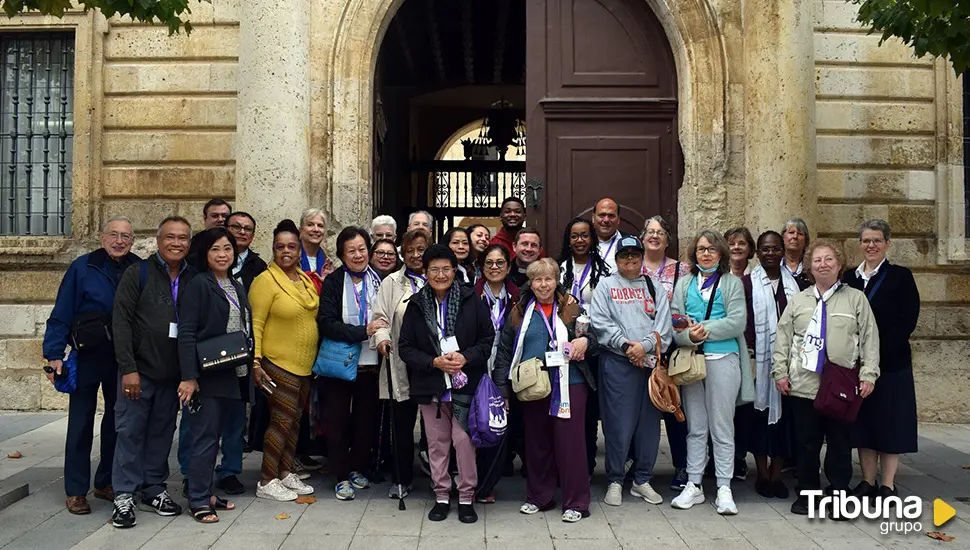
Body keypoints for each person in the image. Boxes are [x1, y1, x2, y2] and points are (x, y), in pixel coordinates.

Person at [773, 239, 880, 516]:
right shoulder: (799, 301)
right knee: (806, 444)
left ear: (839, 264)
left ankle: (839, 494)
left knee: (839, 442)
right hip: (804, 385)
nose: (823, 264)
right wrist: (780, 373)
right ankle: (808, 494)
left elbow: (870, 339)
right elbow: (783, 339)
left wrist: (868, 375)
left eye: (828, 259)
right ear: (810, 266)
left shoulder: (855, 299)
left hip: (840, 385)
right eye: (817, 260)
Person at [43, 216, 140, 515]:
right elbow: (61, 312)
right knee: (81, 422)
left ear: (132, 241)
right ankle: (75, 490)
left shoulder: (138, 268)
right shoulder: (82, 267)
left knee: (117, 421)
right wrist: (54, 353)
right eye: (113, 234)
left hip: (122, 357)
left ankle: (106, 481)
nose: (119, 241)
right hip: (87, 355)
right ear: (102, 237)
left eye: (125, 236)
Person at [493, 258, 596, 523]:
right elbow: (505, 350)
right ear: (531, 282)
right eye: (537, 279)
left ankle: (576, 502)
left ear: (556, 280)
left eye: (548, 278)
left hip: (570, 383)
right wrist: (502, 388)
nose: (543, 284)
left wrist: (584, 340)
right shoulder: (520, 310)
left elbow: (592, 337)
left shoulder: (571, 306)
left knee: (570, 443)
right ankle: (540, 496)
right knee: (537, 443)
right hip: (533, 385)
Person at [398, 244, 495, 524]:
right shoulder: (415, 305)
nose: (440, 274)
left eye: (446, 269)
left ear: (455, 271)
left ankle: (466, 496)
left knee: (464, 441)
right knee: (437, 443)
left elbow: (486, 340)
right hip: (431, 385)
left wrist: (465, 357)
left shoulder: (470, 300)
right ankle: (441, 494)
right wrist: (433, 362)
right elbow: (405, 347)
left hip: (466, 385)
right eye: (434, 270)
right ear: (425, 273)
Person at [110, 216, 196, 529]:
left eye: (183, 238)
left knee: (161, 434)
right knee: (130, 432)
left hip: (172, 375)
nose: (177, 243)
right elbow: (120, 322)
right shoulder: (139, 273)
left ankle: (153, 488)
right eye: (170, 237)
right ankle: (123, 494)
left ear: (189, 243)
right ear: (158, 240)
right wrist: (128, 369)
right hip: (140, 373)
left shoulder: (193, 278)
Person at [670, 230, 753, 516]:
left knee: (722, 426)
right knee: (696, 426)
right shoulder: (683, 284)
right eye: (701, 249)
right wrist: (689, 336)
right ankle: (693, 484)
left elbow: (737, 322)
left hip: (723, 358)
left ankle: (724, 487)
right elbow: (676, 323)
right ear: (694, 253)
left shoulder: (732, 283)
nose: (705, 254)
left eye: (711, 249)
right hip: (692, 361)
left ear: (721, 254)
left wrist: (705, 329)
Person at [177, 227, 255, 523]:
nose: (223, 255)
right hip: (209, 375)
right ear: (205, 254)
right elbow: (186, 332)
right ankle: (197, 498)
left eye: (227, 249)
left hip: (234, 372)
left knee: (220, 435)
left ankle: (206, 491)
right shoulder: (199, 284)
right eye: (215, 250)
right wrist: (189, 376)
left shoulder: (235, 284)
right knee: (205, 438)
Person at [588, 236, 673, 507]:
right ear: (617, 259)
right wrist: (627, 346)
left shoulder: (653, 286)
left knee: (649, 425)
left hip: (649, 364)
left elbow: (664, 325)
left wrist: (645, 346)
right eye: (624, 256)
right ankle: (615, 479)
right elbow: (600, 323)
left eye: (635, 255)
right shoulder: (606, 285)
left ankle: (642, 480)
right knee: (618, 424)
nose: (630, 260)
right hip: (617, 363)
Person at [844, 220, 919, 501]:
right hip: (857, 366)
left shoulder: (901, 276)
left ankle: (887, 484)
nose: (871, 245)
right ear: (860, 244)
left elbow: (907, 320)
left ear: (887, 243)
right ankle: (867, 480)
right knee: (864, 422)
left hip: (891, 363)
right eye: (866, 240)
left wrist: (876, 354)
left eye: (876, 240)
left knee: (890, 423)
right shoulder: (850, 278)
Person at [250, 220, 321, 502]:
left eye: (292, 246)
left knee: (294, 422)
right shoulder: (265, 282)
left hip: (304, 366)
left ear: (299, 249)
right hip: (276, 364)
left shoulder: (304, 280)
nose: (286, 251)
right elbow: (255, 324)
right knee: (280, 422)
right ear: (273, 250)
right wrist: (255, 363)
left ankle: (284, 471)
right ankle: (267, 479)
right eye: (280, 247)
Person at [318, 227, 388, 500]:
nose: (358, 255)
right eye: (351, 251)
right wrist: (364, 331)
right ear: (341, 255)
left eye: (362, 249)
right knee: (337, 422)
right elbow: (327, 322)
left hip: (370, 363)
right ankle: (339, 474)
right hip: (339, 364)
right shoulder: (334, 282)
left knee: (365, 422)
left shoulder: (380, 281)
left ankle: (358, 467)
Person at [372, 229, 431, 499]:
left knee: (435, 425)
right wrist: (383, 339)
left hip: (432, 363)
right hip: (400, 361)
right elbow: (380, 318)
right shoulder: (391, 283)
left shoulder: (439, 278)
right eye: (410, 251)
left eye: (421, 249)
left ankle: (436, 475)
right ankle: (401, 478)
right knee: (403, 424)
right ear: (402, 254)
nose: (416, 255)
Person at [742, 231, 798, 499]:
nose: (771, 253)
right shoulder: (746, 284)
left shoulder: (796, 284)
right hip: (758, 364)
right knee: (760, 420)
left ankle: (778, 475)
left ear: (783, 251)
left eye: (776, 249)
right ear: (758, 253)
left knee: (784, 421)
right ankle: (762, 474)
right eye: (765, 249)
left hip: (789, 363)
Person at [638, 215, 691, 490]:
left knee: (674, 407)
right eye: (650, 232)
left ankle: (682, 466)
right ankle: (637, 463)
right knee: (642, 408)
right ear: (642, 237)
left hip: (671, 348)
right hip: (639, 348)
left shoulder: (682, 270)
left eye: (660, 232)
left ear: (668, 240)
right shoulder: (632, 268)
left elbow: (687, 307)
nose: (654, 236)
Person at [558, 217, 610, 476]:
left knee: (590, 410)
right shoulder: (558, 269)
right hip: (564, 346)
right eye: (574, 236)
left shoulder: (604, 270)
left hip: (593, 346)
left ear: (592, 239)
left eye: (585, 235)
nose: (580, 241)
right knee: (565, 406)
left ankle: (587, 463)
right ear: (568, 240)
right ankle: (563, 462)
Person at [473, 243, 520, 503]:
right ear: (482, 267)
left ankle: (492, 479)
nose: (494, 267)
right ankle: (478, 482)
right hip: (478, 364)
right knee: (479, 422)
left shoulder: (518, 296)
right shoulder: (471, 294)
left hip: (507, 364)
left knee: (502, 423)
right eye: (489, 263)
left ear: (509, 267)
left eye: (500, 263)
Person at [721, 226, 757, 481]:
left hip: (749, 349)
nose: (736, 247)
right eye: (731, 243)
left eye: (741, 243)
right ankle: (717, 457)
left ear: (749, 248)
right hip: (722, 347)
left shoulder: (757, 279)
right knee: (720, 406)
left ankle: (739, 457)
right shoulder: (718, 277)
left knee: (743, 406)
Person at [226, 212, 268, 290]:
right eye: (236, 227)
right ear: (225, 230)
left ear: (252, 236)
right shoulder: (211, 259)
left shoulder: (259, 266)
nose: (242, 232)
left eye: (248, 229)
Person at [299, 208, 335, 294]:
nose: (316, 229)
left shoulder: (328, 263)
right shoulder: (291, 258)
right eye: (310, 225)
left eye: (320, 226)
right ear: (301, 230)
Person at [187, 199, 232, 265]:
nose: (220, 219)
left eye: (224, 216)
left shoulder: (237, 241)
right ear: (205, 219)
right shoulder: (193, 245)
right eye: (215, 216)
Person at [592, 198, 629, 273]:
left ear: (618, 219)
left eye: (611, 216)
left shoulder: (629, 243)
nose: (606, 220)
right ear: (593, 218)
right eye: (602, 215)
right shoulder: (582, 243)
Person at [782, 218, 812, 290]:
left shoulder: (812, 265)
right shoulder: (775, 265)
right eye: (791, 232)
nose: (795, 236)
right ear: (783, 237)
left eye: (800, 234)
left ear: (806, 240)